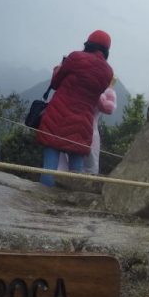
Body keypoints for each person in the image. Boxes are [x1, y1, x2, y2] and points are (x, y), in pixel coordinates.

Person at [36, 29, 114, 187]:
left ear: (88, 43)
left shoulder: (75, 57)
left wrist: (58, 69)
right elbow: (96, 94)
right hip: (83, 123)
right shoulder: (108, 72)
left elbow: (56, 83)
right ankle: (71, 203)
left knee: (50, 167)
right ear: (106, 50)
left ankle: (42, 198)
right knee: (75, 173)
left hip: (57, 117)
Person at [57, 74, 118, 175]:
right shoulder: (96, 92)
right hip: (89, 131)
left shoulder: (75, 84)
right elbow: (108, 108)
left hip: (66, 125)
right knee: (90, 167)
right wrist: (110, 88)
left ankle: (54, 185)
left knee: (62, 162)